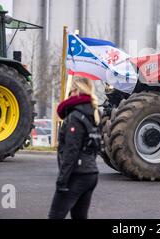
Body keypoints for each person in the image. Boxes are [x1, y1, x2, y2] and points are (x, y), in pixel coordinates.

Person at [48, 76, 100, 219]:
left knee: (55, 216)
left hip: (77, 175)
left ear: (76, 90)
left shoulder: (75, 117)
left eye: (70, 90)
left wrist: (62, 180)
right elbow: (95, 147)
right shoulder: (93, 114)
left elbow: (72, 151)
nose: (69, 93)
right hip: (91, 173)